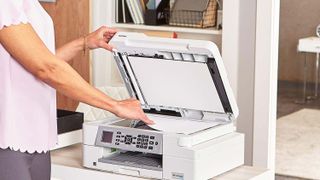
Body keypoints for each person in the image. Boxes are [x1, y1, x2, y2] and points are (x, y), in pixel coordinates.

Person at [0, 0, 154, 180]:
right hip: (8, 134)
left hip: (35, 135)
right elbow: (46, 68)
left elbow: (34, 62)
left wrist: (84, 43)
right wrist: (115, 105)